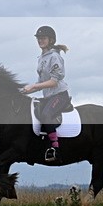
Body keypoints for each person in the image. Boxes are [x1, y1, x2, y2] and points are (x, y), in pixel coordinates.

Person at [22, 26, 71, 161]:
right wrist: (25, 91)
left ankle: (55, 149)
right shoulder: (41, 58)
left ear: (51, 40)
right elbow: (41, 83)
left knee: (46, 115)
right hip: (48, 96)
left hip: (60, 95)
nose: (40, 40)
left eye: (43, 38)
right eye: (38, 38)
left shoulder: (55, 57)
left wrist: (34, 86)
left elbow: (53, 82)